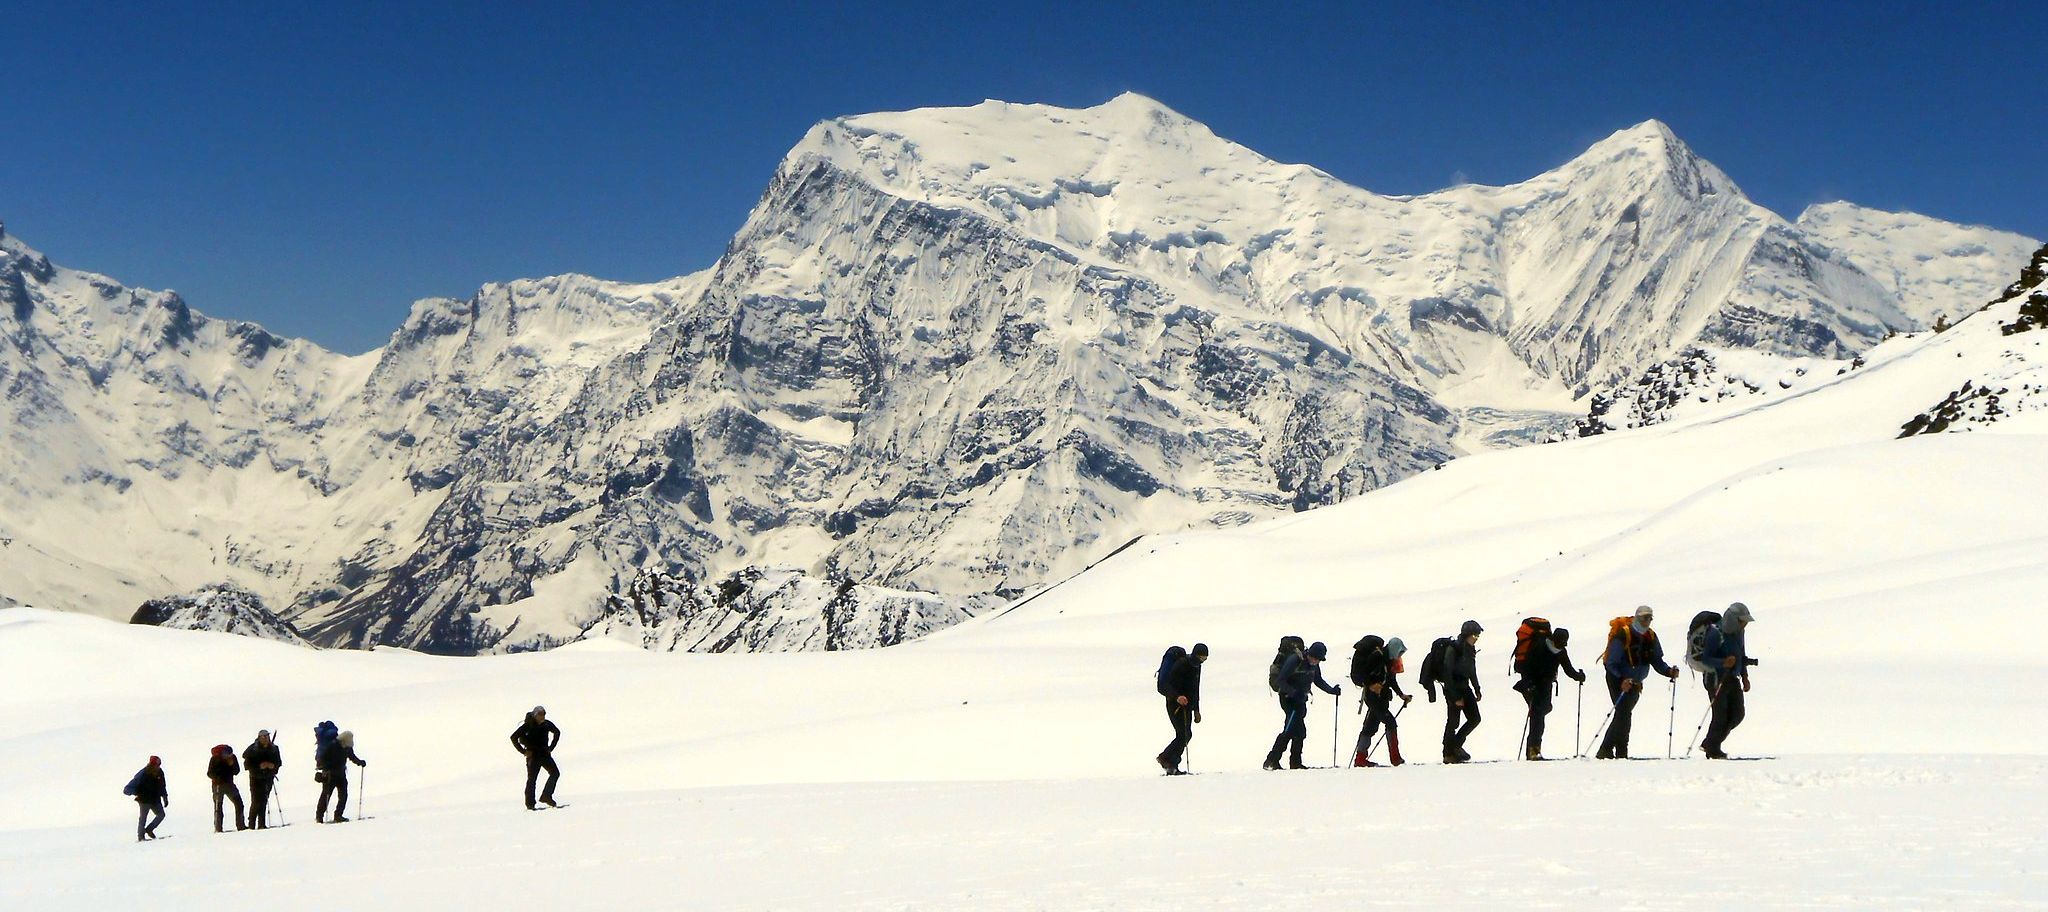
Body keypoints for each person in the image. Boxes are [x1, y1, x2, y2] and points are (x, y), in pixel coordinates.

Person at [1598, 606, 1680, 759]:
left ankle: (1613, 750)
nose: (1647, 621)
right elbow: (1611, 662)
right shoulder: (1624, 634)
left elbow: (1656, 660)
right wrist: (1622, 679)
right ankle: (1611, 750)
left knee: (1624, 714)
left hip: (1635, 682)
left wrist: (1668, 671)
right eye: (1644, 617)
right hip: (1617, 680)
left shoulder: (1651, 636)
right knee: (1623, 714)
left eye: (1649, 618)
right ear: (1637, 617)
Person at [1265, 641, 1341, 770]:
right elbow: (1280, 680)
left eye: (1318, 660)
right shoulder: (1295, 660)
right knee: (1291, 729)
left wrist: (1331, 690)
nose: (1315, 661)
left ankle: (1294, 763)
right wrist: (1295, 693)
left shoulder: (1314, 665)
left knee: (1299, 731)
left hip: (1300, 701)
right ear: (1309, 653)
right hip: (1288, 698)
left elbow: (1318, 680)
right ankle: (1272, 760)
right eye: (1314, 658)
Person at [1515, 627, 1588, 760]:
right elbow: (1527, 667)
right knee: (1538, 717)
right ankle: (1533, 751)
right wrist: (1529, 685)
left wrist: (1579, 676)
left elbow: (1568, 669)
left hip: (1545, 686)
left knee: (1543, 712)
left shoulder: (1560, 651)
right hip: (1533, 686)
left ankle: (1533, 750)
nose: (1562, 645)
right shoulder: (1539, 646)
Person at [1698, 602, 1757, 759]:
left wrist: (1744, 676)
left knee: (1738, 714)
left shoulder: (1739, 633)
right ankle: (1713, 749)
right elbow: (1706, 659)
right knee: (1720, 716)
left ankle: (1710, 743)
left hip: (1732, 677)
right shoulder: (1715, 633)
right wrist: (1722, 663)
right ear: (1733, 619)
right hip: (1716, 678)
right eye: (1741, 621)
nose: (1744, 624)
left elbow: (1741, 654)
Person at [1350, 636, 1412, 767]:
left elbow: (1391, 680)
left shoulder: (1388, 660)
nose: (1400, 655)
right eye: (1400, 652)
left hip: (1381, 697)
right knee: (1390, 722)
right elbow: (1365, 674)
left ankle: (1360, 759)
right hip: (1373, 697)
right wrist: (1371, 685)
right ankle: (1395, 758)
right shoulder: (1377, 657)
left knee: (1370, 727)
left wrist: (1401, 694)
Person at [1157, 644, 1207, 774]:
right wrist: (1177, 697)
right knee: (1184, 734)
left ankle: (1170, 763)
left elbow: (1195, 688)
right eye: (1201, 658)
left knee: (1185, 734)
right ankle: (1167, 759)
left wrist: (1196, 709)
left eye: (1204, 659)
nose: (1201, 661)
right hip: (1175, 704)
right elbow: (1167, 685)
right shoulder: (1181, 664)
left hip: (1187, 705)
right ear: (1195, 654)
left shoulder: (1197, 666)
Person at [1442, 621, 1484, 763]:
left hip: (1465, 687)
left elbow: (1472, 671)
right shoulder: (1454, 649)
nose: (1476, 638)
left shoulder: (1470, 650)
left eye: (1478, 635)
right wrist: (1455, 696)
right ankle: (1448, 753)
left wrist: (1477, 688)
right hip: (1453, 688)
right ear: (1466, 634)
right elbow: (1447, 673)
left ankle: (1456, 746)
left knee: (1475, 718)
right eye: (1474, 635)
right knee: (1453, 722)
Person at [510, 706, 563, 809]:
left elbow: (557, 732)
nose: (542, 716)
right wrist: (524, 751)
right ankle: (530, 804)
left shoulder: (546, 724)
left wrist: (551, 747)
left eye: (544, 714)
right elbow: (513, 737)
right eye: (540, 714)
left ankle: (546, 796)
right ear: (535, 715)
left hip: (544, 754)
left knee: (555, 773)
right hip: (533, 756)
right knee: (532, 779)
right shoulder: (528, 725)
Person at [315, 730, 367, 823]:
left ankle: (338, 815)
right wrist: (326, 768)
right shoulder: (333, 745)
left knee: (343, 795)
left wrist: (360, 762)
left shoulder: (347, 747)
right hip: (330, 775)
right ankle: (320, 816)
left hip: (340, 774)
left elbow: (352, 757)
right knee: (326, 795)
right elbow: (323, 759)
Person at [242, 730, 283, 829]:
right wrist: (259, 766)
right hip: (255, 778)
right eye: (263, 737)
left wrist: (272, 766)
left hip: (268, 777)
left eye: (267, 736)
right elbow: (247, 765)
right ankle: (252, 823)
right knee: (256, 801)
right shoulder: (252, 749)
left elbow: (279, 762)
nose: (265, 738)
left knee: (264, 800)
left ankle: (261, 824)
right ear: (259, 738)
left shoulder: (274, 748)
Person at [125, 756, 168, 841]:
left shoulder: (160, 772)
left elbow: (162, 786)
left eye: (159, 765)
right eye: (157, 765)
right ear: (152, 765)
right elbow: (128, 788)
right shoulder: (143, 773)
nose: (158, 767)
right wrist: (137, 793)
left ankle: (149, 829)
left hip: (155, 799)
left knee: (161, 815)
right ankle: (141, 837)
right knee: (143, 818)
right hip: (144, 800)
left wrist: (165, 797)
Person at [206, 744, 247, 832]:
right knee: (218, 807)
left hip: (229, 784)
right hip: (218, 785)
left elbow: (236, 771)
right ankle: (218, 828)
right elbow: (210, 773)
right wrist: (218, 776)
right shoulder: (215, 759)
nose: (228, 755)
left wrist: (232, 765)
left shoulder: (232, 758)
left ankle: (240, 826)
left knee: (238, 804)